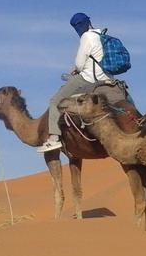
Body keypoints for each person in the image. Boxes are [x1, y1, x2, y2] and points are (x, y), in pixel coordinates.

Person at [36, 13, 113, 153]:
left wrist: (76, 69)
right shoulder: (101, 35)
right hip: (108, 77)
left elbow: (79, 62)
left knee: (55, 101)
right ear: (89, 22)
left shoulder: (86, 37)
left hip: (89, 78)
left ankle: (54, 138)